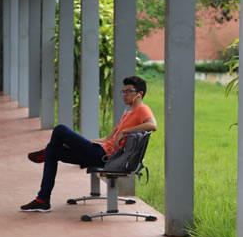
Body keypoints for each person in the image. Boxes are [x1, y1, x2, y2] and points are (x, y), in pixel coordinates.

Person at [20, 75, 157, 213]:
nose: (124, 95)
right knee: (53, 151)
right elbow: (105, 139)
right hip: (98, 151)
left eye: (128, 91)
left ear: (139, 94)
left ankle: (45, 153)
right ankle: (43, 200)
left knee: (60, 129)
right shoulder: (127, 114)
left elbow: (152, 125)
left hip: (104, 157)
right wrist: (79, 144)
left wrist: (124, 132)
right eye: (123, 91)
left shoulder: (142, 109)